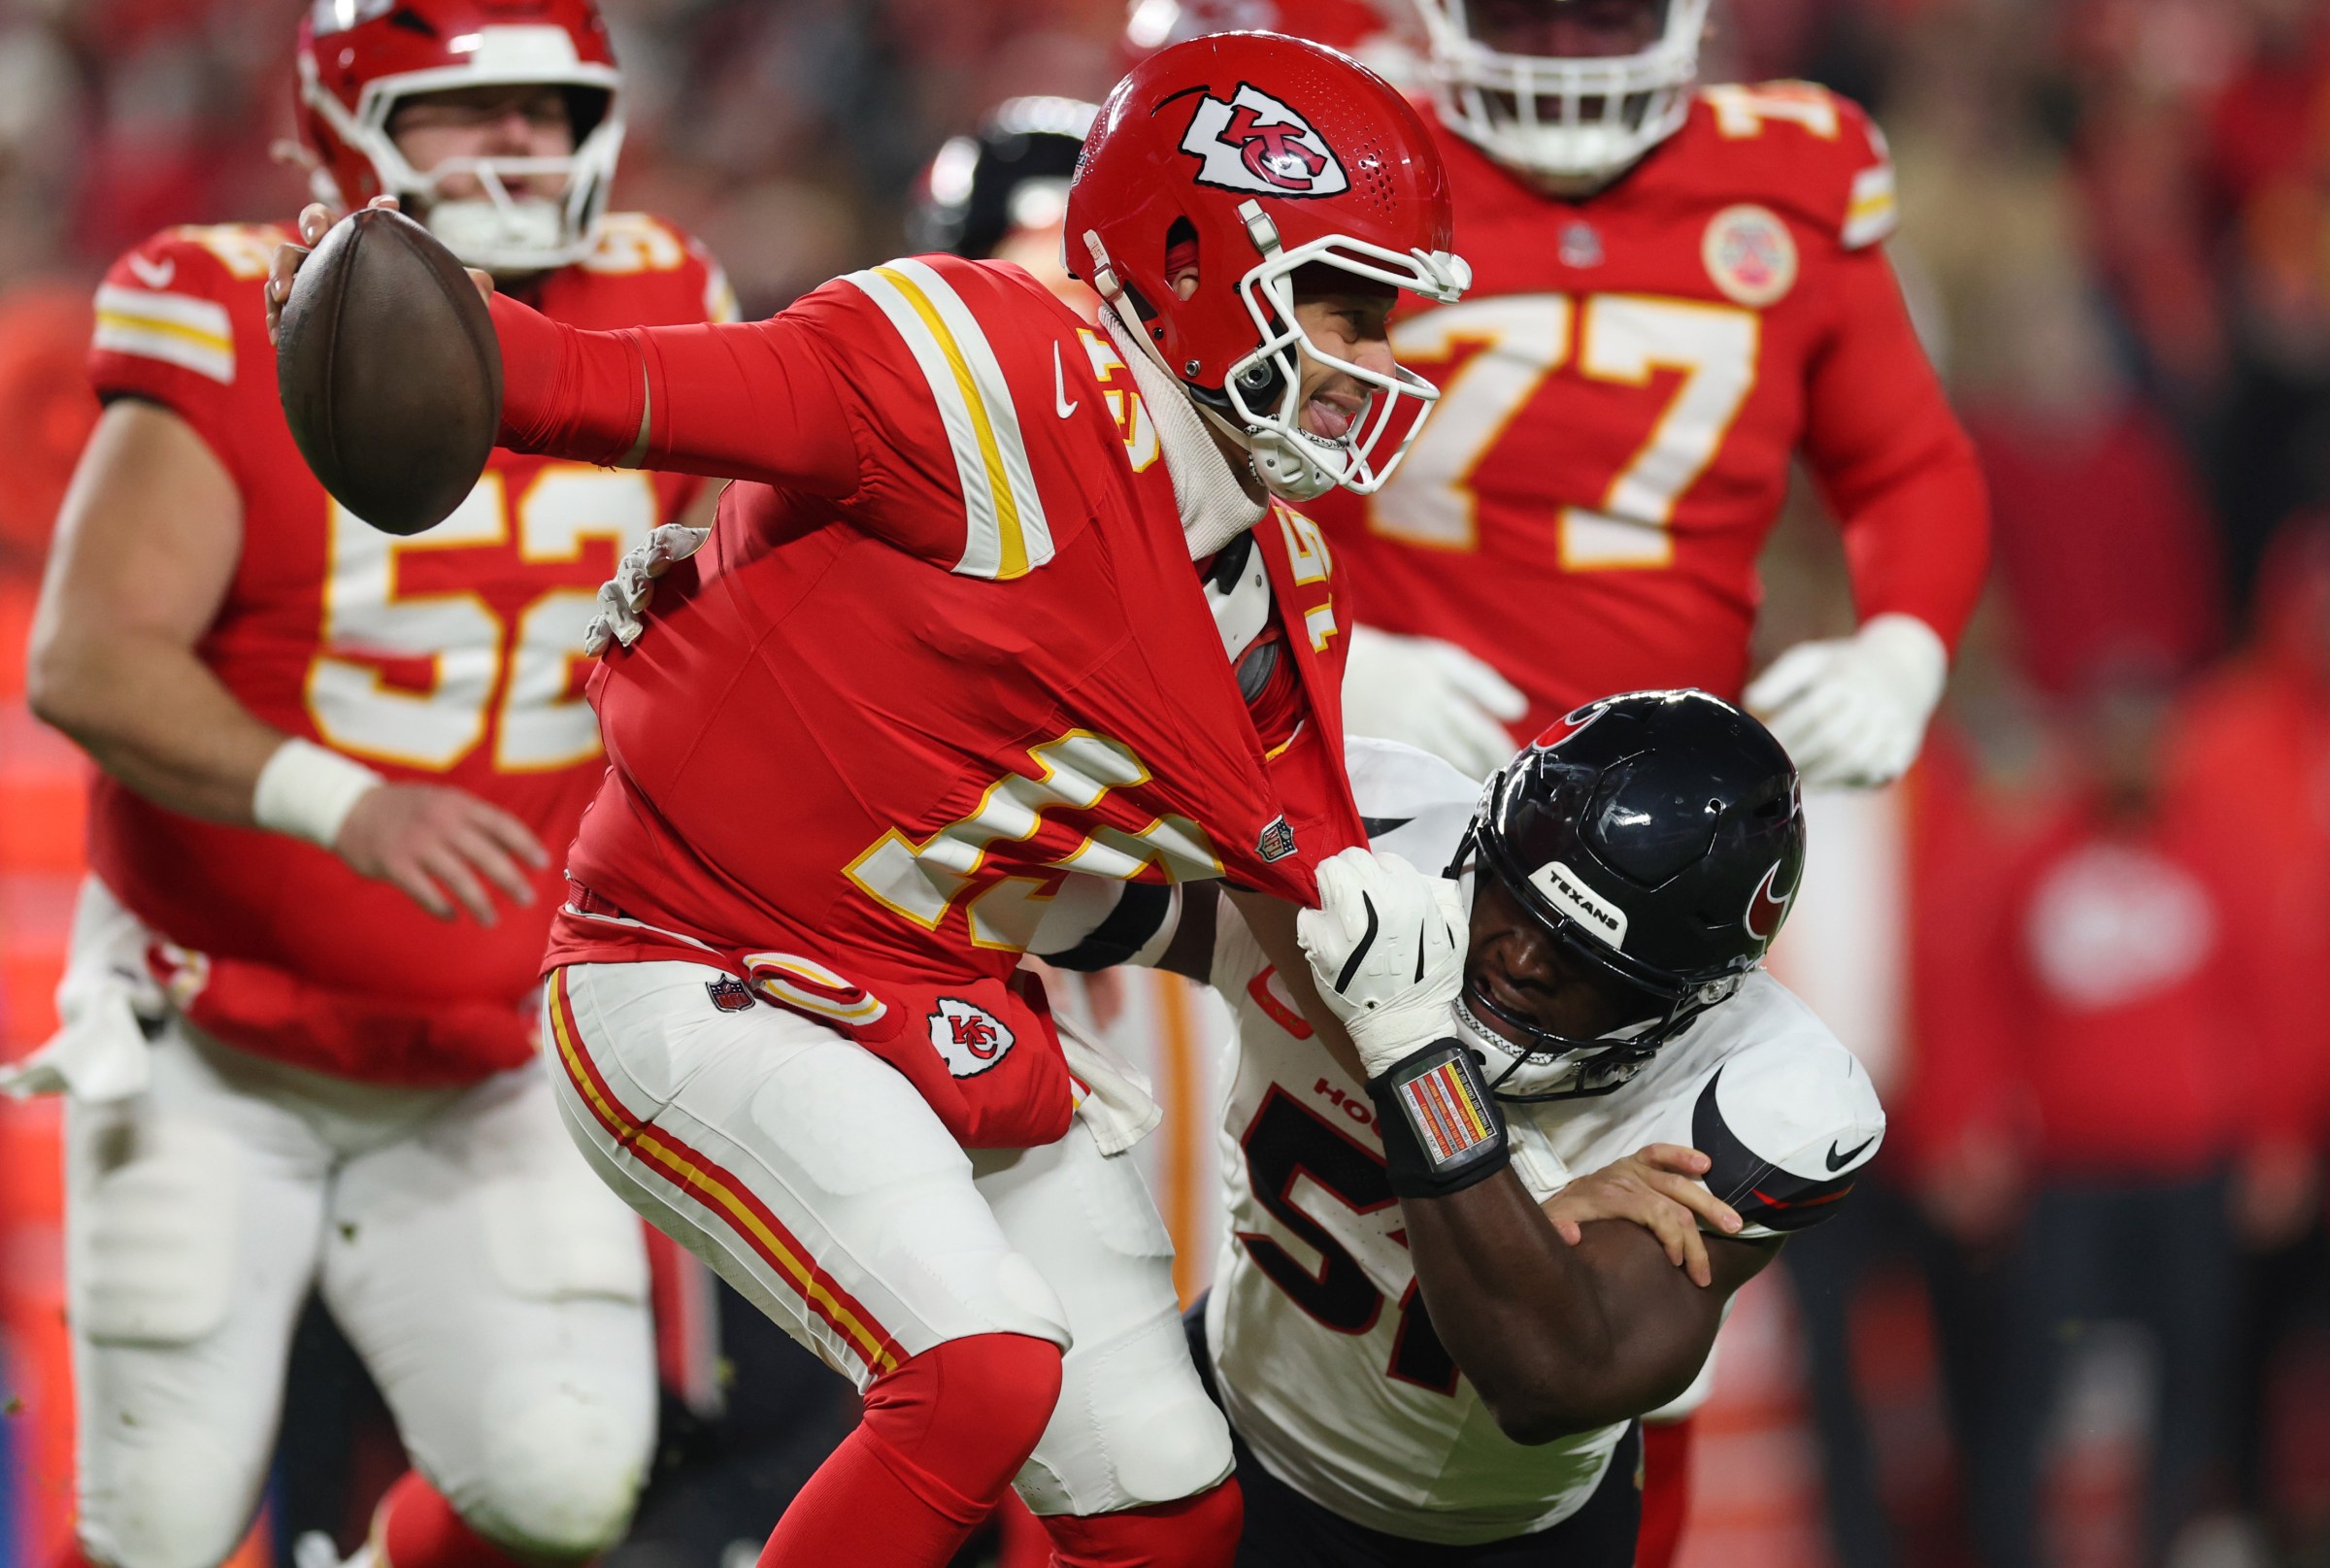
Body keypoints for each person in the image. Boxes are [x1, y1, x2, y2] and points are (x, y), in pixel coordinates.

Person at [270, 30, 1472, 1568]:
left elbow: (1250, 913)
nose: (1374, 357)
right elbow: (579, 385)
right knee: (975, 1373)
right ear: (1190, 252)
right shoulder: (972, 366)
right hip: (692, 962)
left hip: (937, 989)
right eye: (1339, 298)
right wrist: (376, 306)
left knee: (1167, 1503)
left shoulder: (1284, 580)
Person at [14, 1, 737, 1563]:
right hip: (222, 1027)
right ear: (346, 128)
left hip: (495, 1043)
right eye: (471, 113)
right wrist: (346, 800)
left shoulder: (665, 296)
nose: (524, 147)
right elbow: (87, 658)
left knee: (562, 1484)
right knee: (157, 1525)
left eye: (552, 110)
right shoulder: (218, 310)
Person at [1028, 689, 1882, 1563]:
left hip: (1488, 1541)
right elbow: (1037, 878)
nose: (1518, 957)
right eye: (1510, 900)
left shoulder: (1759, 1097)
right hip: (1220, 1425)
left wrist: (1410, 1047)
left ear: (1685, 1001)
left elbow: (1549, 1374)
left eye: (1583, 959)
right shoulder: (1378, 836)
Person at [1290, 0, 1988, 787]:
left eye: (1604, 18)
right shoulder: (1337, 177)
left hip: (1670, 799)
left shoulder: (1790, 181)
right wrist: (1318, 656)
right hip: (1374, 783)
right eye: (1516, 19)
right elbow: (1200, 478)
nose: (1559, 54)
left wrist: (1901, 652)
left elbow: (1906, 465)